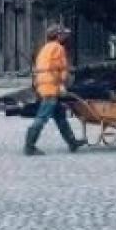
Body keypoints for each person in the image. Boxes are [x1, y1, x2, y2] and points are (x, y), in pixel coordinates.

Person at [24, 26, 86, 156]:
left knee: (60, 116)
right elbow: (60, 68)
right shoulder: (58, 48)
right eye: (62, 35)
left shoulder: (45, 48)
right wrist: (63, 83)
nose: (65, 37)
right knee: (42, 117)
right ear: (57, 36)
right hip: (51, 86)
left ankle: (72, 142)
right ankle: (29, 146)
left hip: (43, 85)